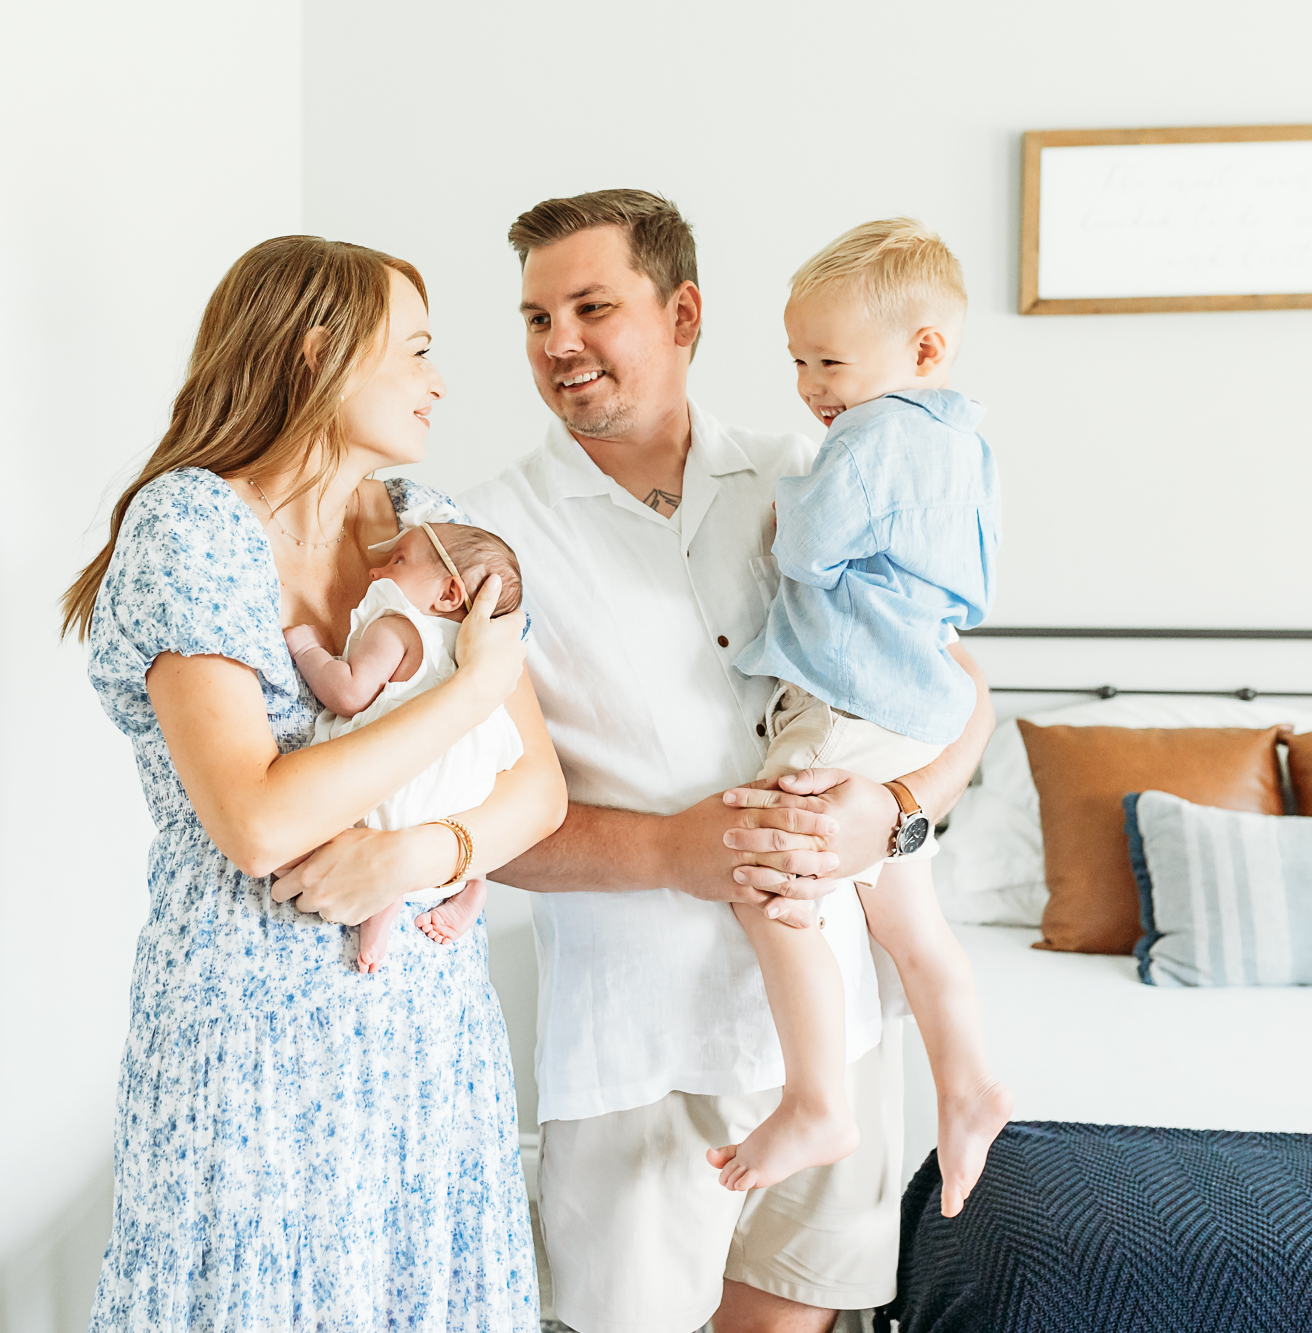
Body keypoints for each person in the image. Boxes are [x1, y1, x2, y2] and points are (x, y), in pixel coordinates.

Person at [459, 191, 995, 1333]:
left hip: (836, 1033)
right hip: (637, 1055)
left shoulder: (813, 470)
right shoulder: (489, 538)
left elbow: (960, 705)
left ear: (682, 311)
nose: (558, 343)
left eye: (591, 306)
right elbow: (480, 829)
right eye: (534, 317)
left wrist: (891, 813)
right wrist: (670, 848)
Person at [61, 235, 565, 1330]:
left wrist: (411, 855)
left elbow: (538, 796)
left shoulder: (423, 525)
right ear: (317, 351)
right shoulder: (190, 527)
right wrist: (468, 694)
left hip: (427, 1036)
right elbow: (254, 820)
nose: (439, 380)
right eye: (417, 350)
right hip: (253, 1040)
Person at [707, 218, 1013, 1217]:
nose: (809, 386)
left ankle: (815, 1098)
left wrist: (780, 510)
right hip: (918, 701)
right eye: (797, 360)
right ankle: (967, 1084)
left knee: (766, 868)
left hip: (845, 695)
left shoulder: (871, 439)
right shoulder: (962, 441)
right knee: (911, 925)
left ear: (922, 349)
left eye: (829, 360)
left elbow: (804, 552)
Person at [284, 520, 527, 971]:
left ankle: (383, 903)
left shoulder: (400, 628)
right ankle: (472, 886)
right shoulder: (478, 655)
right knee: (463, 801)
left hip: (398, 797)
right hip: (456, 807)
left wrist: (308, 651)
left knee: (309, 840)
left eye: (398, 561)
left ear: (449, 595)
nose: (377, 571)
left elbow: (348, 692)